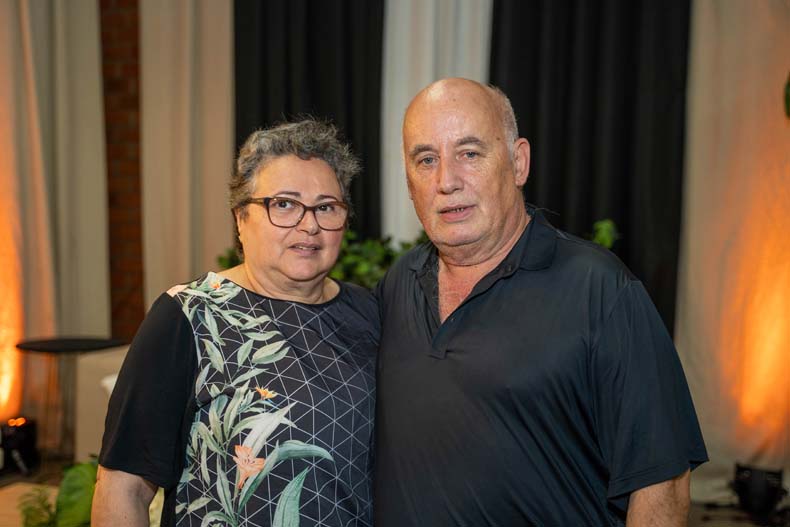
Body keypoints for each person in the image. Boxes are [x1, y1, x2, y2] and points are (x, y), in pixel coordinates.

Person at [374, 78, 708, 526]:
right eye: (426, 159)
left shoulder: (600, 291)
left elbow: (663, 483)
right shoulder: (399, 285)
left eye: (469, 153)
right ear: (408, 180)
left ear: (518, 162)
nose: (446, 181)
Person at [92, 120, 379, 527]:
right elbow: (124, 488)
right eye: (284, 204)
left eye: (326, 207)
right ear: (241, 217)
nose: (309, 224)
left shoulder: (369, 313)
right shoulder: (190, 316)